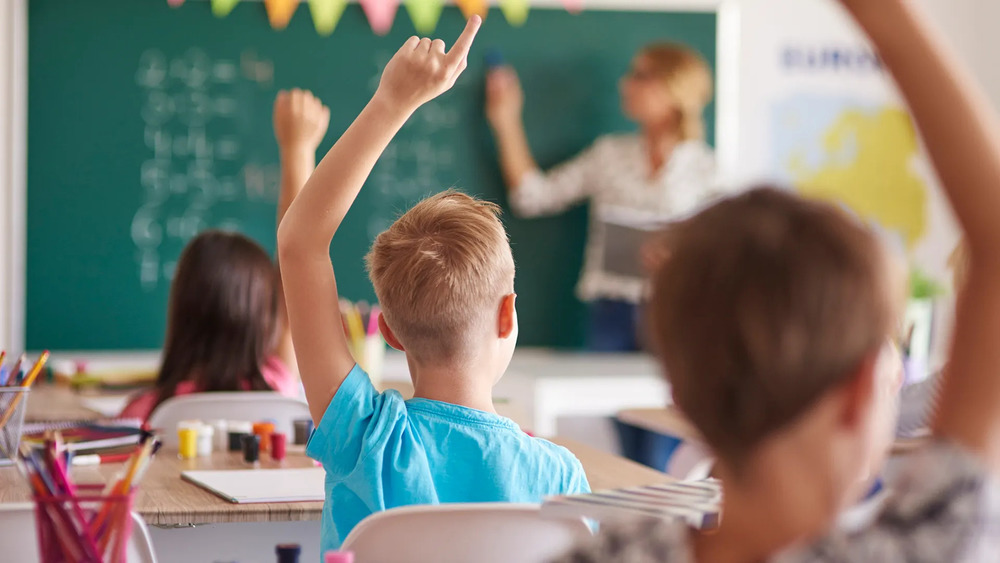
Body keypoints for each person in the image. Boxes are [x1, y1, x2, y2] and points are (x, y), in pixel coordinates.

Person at [555, 0, 1000, 561]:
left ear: (678, 394)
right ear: (866, 389)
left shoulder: (597, 557)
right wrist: (887, 16)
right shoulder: (920, 547)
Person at [277, 18, 590, 552]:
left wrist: (391, 102)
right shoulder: (559, 480)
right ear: (507, 314)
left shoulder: (366, 440)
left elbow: (300, 243)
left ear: (390, 332)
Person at [485, 42, 720, 352]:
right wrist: (506, 121)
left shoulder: (708, 170)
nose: (626, 84)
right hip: (610, 314)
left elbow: (725, 254)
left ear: (673, 88)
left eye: (641, 75)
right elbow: (531, 196)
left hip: (678, 310)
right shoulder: (609, 155)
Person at [120, 89, 329, 420]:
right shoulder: (278, 387)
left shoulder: (145, 414)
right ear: (266, 317)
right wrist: (298, 150)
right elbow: (296, 270)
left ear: (181, 312)